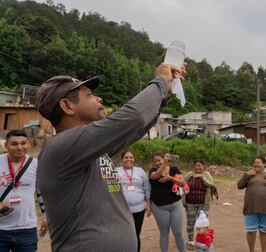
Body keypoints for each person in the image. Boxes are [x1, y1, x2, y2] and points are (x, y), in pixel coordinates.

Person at [35, 63, 186, 251]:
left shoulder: (89, 150)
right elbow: (135, 117)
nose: (99, 98)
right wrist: (161, 81)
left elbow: (136, 128)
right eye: (89, 95)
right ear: (67, 106)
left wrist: (164, 96)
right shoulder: (61, 147)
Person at [0, 129, 48, 252]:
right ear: (6, 145)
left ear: (29, 144)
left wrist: (46, 217)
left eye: (23, 143)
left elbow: (41, 192)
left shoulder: (36, 164)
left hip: (27, 230)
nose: (20, 147)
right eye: (14, 144)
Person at [237, 156, 266, 252]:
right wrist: (246, 175)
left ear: (264, 164)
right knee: (251, 231)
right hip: (251, 208)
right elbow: (239, 186)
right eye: (255, 162)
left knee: (264, 232)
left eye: (258, 162)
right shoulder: (249, 175)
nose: (256, 164)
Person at [149, 151, 186, 252]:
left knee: (178, 232)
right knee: (164, 233)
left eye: (159, 160)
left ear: (163, 159)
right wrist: (164, 164)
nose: (157, 163)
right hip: (160, 207)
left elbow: (182, 183)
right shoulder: (152, 171)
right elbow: (155, 176)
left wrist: (170, 178)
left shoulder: (174, 169)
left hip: (176, 205)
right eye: (155, 161)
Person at [116, 151, 151, 252]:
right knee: (123, 233)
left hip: (138, 209)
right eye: (126, 157)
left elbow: (146, 187)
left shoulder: (140, 171)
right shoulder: (116, 171)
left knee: (136, 233)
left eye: (131, 157)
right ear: (122, 160)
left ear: (134, 159)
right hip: (121, 210)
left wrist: (148, 204)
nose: (129, 159)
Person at [184, 160, 216, 249]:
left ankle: (202, 241)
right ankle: (191, 241)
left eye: (200, 166)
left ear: (203, 166)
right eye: (196, 166)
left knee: (202, 224)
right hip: (190, 203)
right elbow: (182, 184)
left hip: (203, 204)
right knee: (190, 223)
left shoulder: (206, 175)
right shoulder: (189, 175)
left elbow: (211, 185)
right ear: (193, 167)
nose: (198, 167)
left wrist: (202, 177)